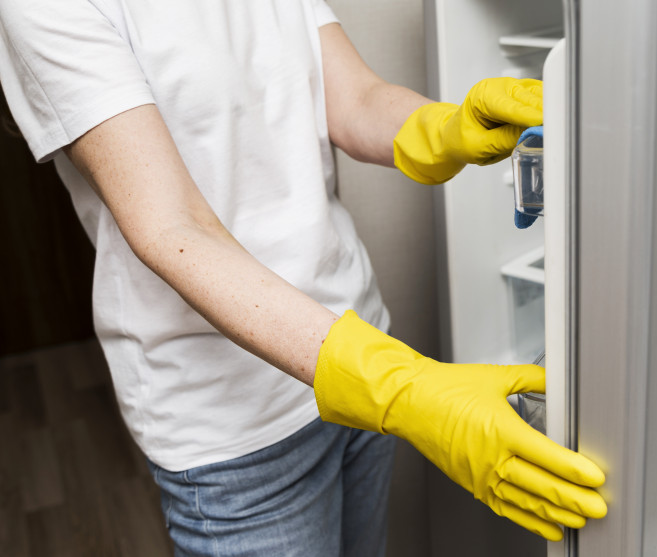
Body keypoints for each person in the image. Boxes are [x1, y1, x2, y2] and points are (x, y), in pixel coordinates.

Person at [0, 1, 607, 555]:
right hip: (237, 427)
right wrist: (403, 389)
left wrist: (445, 128)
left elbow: (353, 100)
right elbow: (172, 228)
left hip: (357, 345)